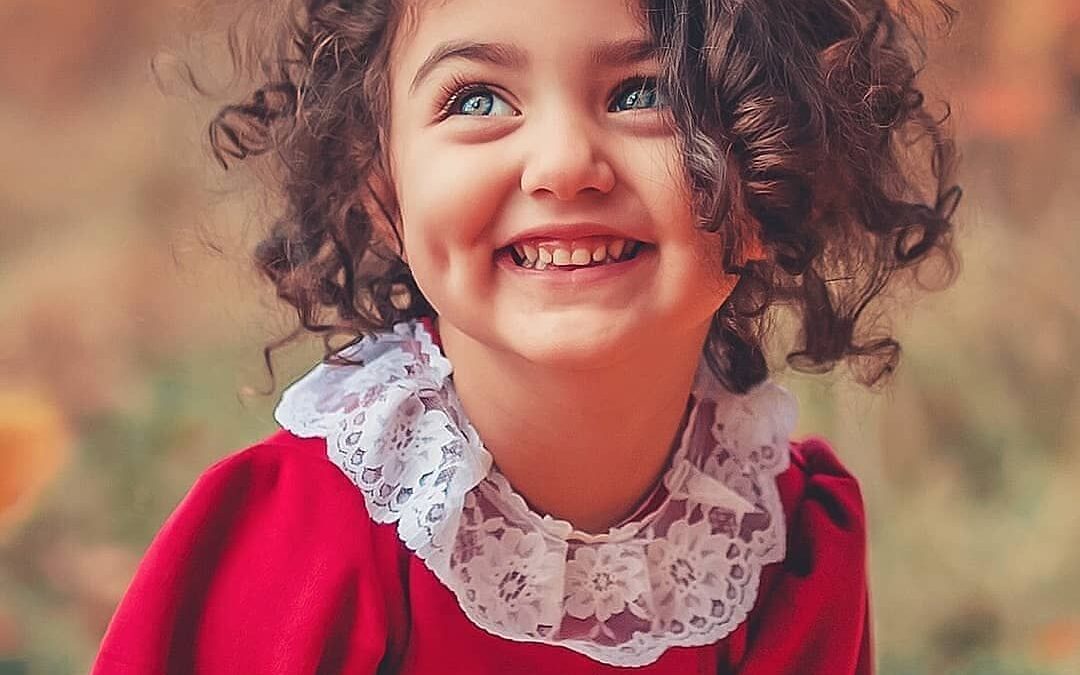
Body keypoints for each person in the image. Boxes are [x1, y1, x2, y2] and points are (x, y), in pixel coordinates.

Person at [91, 0, 960, 672]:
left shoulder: (784, 551)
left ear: (777, 166)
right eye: (477, 98)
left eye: (644, 92)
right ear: (379, 187)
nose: (563, 164)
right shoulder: (299, 543)